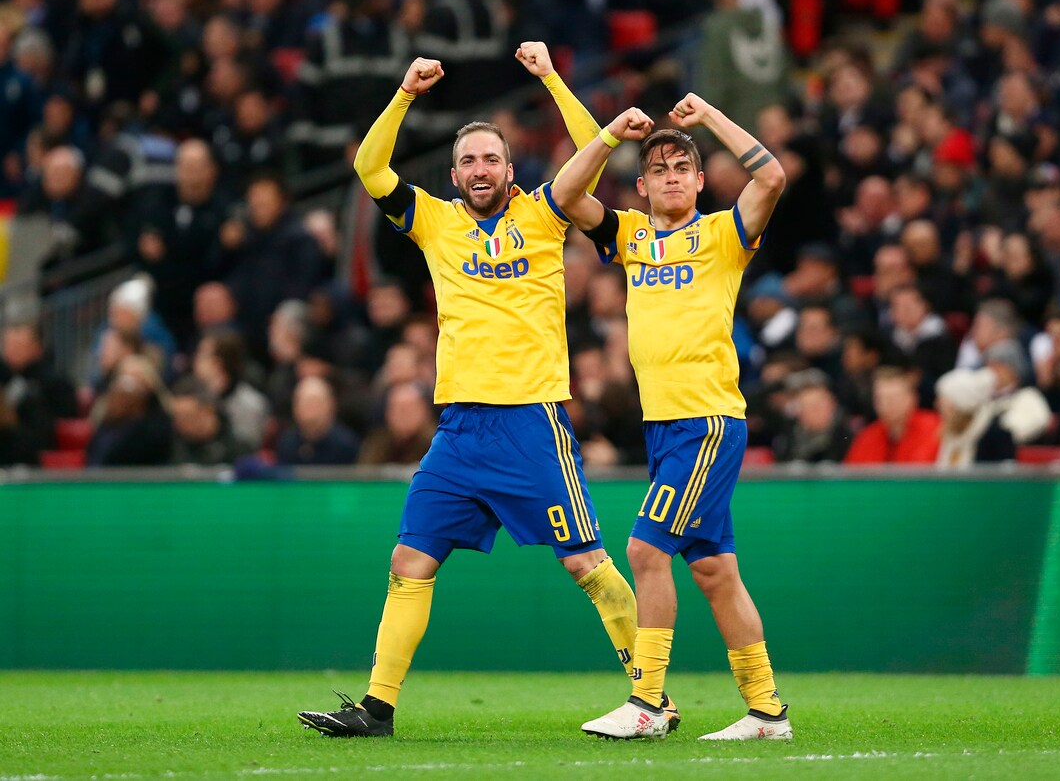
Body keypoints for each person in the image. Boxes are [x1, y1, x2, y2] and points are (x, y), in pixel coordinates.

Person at [297, 43, 650, 739]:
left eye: (492, 158)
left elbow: (592, 160)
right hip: (459, 432)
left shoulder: (546, 212)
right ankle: (376, 708)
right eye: (469, 161)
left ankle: (651, 694)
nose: (480, 169)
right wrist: (404, 93)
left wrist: (553, 79)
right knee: (409, 560)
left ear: (510, 170)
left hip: (531, 424)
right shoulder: (436, 221)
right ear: (454, 174)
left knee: (586, 563)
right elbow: (370, 168)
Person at [550, 93, 791, 740]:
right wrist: (609, 133)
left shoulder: (723, 235)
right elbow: (566, 196)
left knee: (644, 549)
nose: (672, 176)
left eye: (683, 167)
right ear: (643, 185)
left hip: (706, 421)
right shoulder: (629, 235)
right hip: (665, 427)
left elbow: (772, 176)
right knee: (714, 571)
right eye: (658, 169)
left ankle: (648, 702)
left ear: (701, 179)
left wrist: (708, 116)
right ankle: (767, 712)